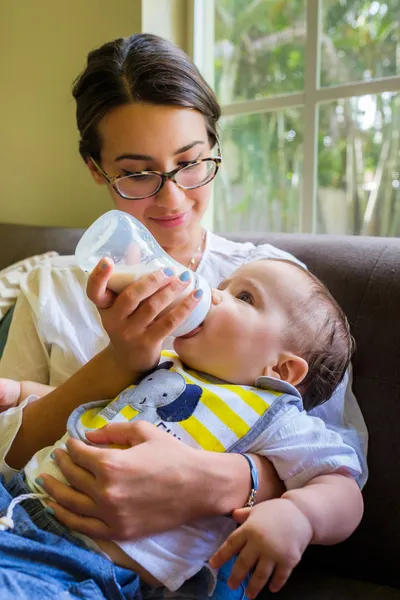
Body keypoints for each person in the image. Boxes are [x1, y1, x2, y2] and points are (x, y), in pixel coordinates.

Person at [0, 32, 367, 598]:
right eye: (138, 173)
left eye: (192, 163)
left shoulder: (279, 289)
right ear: (97, 169)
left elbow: (337, 461)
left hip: (104, 569)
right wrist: (119, 361)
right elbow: (14, 452)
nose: (172, 199)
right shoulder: (51, 285)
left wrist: (222, 483)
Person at [0, 258, 363, 600]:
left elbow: (342, 486)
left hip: (81, 566)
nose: (214, 294)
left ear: (281, 370)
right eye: (223, 285)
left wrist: (299, 515)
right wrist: (20, 391)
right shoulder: (165, 365)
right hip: (15, 501)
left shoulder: (277, 418)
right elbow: (97, 410)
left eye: (244, 297)